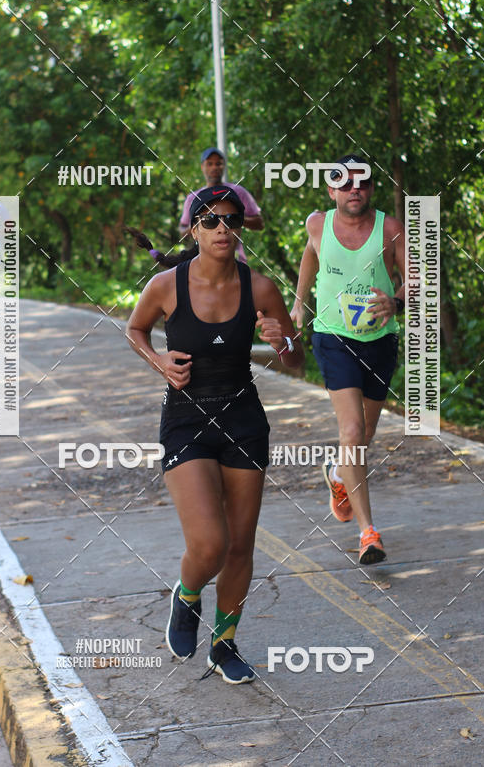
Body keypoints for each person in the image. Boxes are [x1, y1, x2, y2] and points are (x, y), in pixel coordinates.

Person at [126, 185, 303, 683]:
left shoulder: (261, 288)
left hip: (243, 417)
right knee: (210, 544)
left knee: (241, 546)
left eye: (232, 221)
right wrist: (158, 360)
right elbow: (135, 330)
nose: (223, 229)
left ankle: (224, 644)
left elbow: (295, 357)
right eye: (211, 221)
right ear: (193, 229)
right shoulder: (166, 285)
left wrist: (284, 341)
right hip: (186, 418)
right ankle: (187, 597)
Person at [291, 155, 405, 565]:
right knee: (352, 431)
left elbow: (415, 279)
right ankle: (368, 533)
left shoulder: (390, 228)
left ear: (371, 188)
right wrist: (299, 304)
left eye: (363, 183)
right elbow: (311, 255)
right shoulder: (318, 223)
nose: (355, 189)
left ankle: (338, 474)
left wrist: (396, 301)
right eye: (346, 183)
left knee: (366, 432)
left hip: (379, 341)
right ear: (332, 190)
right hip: (333, 337)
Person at [178, 148, 263, 263]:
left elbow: (259, 223)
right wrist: (204, 222)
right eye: (210, 164)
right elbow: (182, 230)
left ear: (224, 166)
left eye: (218, 164)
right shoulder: (192, 198)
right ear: (202, 167)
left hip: (234, 260)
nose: (214, 167)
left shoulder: (238, 192)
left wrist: (234, 219)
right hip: (204, 262)